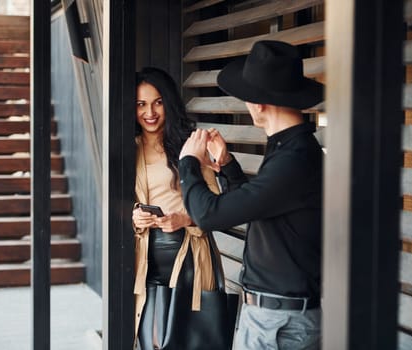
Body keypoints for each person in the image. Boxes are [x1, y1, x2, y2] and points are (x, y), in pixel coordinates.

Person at [178, 40, 324, 349]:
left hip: (276, 323)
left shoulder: (294, 158)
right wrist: (227, 166)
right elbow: (255, 205)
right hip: (274, 317)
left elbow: (209, 214)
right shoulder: (289, 148)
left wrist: (188, 163)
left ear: (258, 103)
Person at [131, 67, 221, 349]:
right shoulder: (126, 147)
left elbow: (215, 203)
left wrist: (184, 218)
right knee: (151, 339)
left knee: (187, 339)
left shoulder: (190, 144)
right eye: (141, 104)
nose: (150, 112)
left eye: (158, 102)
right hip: (146, 258)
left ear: (168, 102)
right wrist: (134, 216)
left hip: (188, 256)